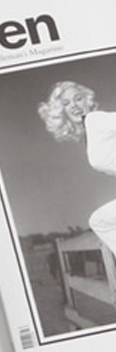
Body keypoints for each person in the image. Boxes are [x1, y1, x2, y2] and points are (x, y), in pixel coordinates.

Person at [38, 80, 116, 254]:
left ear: (87, 101)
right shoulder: (91, 131)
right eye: (66, 103)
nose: (74, 105)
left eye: (78, 99)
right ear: (61, 111)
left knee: (100, 221)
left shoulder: (95, 120)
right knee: (100, 220)